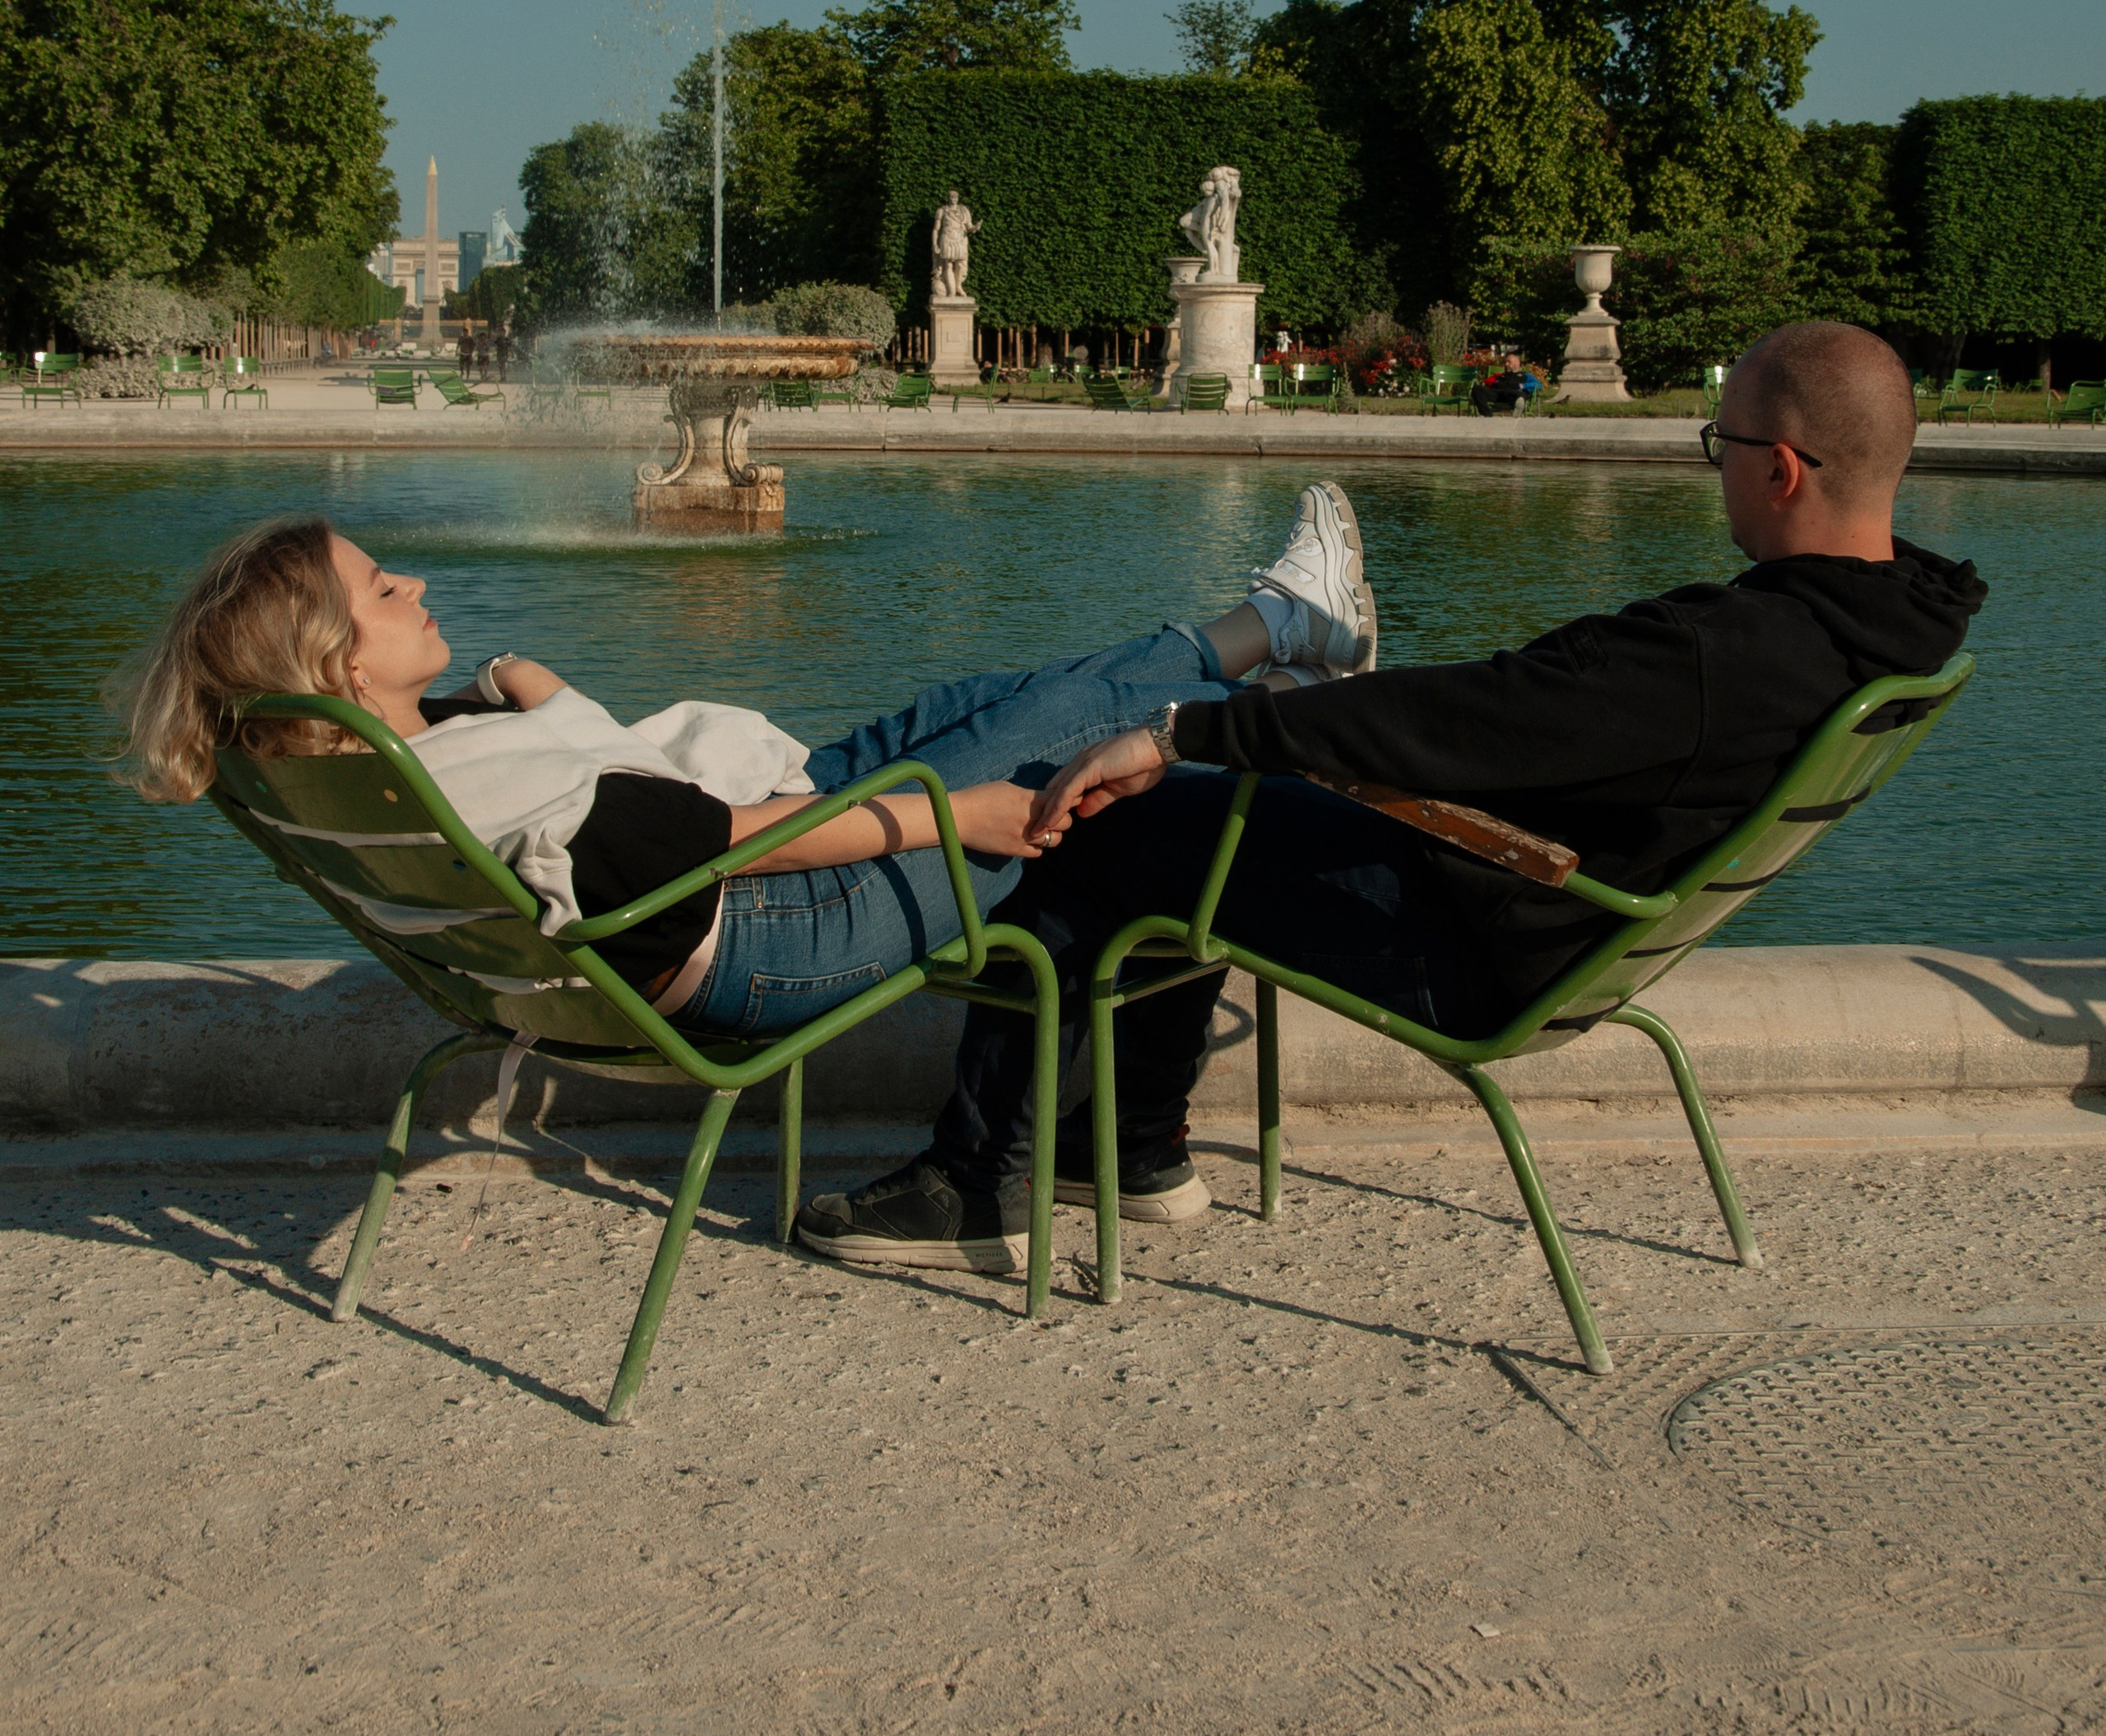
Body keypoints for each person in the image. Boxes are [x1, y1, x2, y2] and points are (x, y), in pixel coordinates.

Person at [796, 323, 1985, 1275]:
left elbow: (1476, 720)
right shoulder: (1893, 622)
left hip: (1481, 932)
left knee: (1111, 821)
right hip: (1571, 912)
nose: (1708, 460)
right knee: (1214, 820)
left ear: (1781, 468)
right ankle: (1133, 1143)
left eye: (1715, 439)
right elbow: (1516, 713)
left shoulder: (1733, 651)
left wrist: (1186, 728)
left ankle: (974, 1175)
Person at [118, 486, 1378, 1256]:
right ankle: (1277, 635)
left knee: (993, 701)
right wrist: (953, 820)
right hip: (774, 926)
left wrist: (520, 684)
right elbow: (712, 845)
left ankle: (1275, 690)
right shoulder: (493, 787)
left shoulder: (399, 768)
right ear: (343, 665)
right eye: (385, 588)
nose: (419, 579)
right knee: (1055, 740)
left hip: (754, 867)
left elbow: (622, 805)